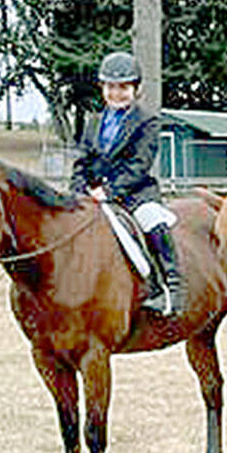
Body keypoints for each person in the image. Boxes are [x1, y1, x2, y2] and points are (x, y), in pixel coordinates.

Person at [71, 51, 185, 316]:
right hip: (94, 193)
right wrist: (78, 191)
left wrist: (109, 191)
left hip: (135, 194)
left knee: (153, 222)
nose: (117, 93)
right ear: (103, 89)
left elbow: (139, 165)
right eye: (111, 87)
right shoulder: (93, 122)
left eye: (124, 88)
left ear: (136, 89)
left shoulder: (147, 121)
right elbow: (82, 161)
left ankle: (169, 288)